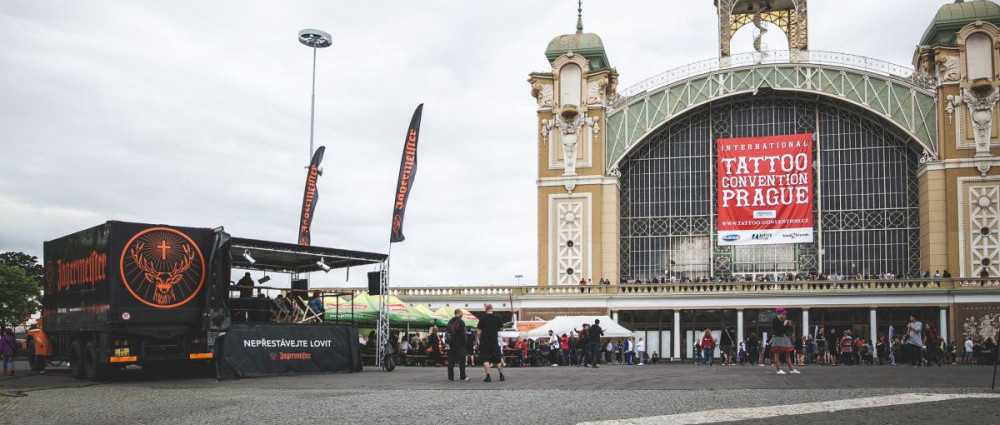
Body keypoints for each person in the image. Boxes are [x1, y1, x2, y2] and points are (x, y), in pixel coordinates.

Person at [477, 303, 505, 382]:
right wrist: (495, 329)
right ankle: (501, 375)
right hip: (494, 341)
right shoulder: (497, 317)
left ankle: (488, 376)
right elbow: (501, 328)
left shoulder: (482, 318)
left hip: (485, 342)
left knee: (486, 359)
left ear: (485, 309)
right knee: (498, 360)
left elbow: (479, 331)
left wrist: (478, 339)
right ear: (492, 309)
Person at [771, 307, 799, 374]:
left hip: (784, 338)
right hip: (778, 338)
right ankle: (778, 370)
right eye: (783, 314)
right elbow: (777, 331)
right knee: (777, 354)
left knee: (787, 354)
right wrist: (784, 325)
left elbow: (786, 330)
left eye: (784, 314)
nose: (784, 316)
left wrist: (788, 325)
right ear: (780, 314)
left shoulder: (783, 320)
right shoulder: (775, 320)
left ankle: (792, 369)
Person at [446, 308, 470, 381]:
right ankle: (462, 377)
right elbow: (463, 334)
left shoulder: (450, 321)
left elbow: (447, 332)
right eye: (462, 312)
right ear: (458, 313)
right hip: (459, 344)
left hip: (451, 344)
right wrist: (465, 343)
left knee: (451, 361)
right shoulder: (461, 322)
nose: (462, 314)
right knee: (462, 360)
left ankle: (450, 377)